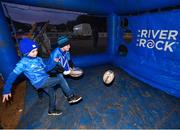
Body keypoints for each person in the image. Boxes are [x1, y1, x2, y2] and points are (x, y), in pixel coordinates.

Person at [2, 38, 82, 116]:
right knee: (60, 78)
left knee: (52, 93)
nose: (35, 53)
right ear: (26, 53)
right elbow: (12, 75)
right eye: (33, 51)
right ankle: (70, 96)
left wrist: (54, 62)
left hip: (45, 79)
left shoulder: (38, 59)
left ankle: (51, 110)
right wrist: (6, 90)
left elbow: (47, 68)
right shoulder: (23, 63)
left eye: (36, 50)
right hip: (39, 82)